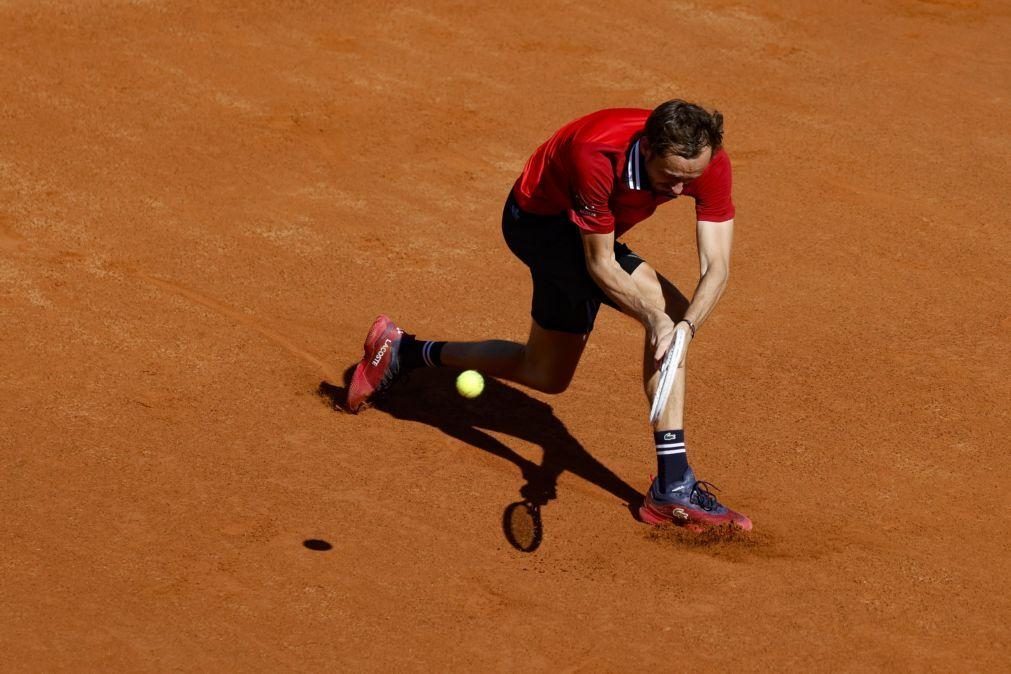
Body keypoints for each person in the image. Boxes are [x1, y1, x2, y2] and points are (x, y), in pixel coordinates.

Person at [346, 100, 751, 531]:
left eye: (689, 180)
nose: (678, 190)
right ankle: (672, 486)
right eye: (670, 178)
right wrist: (657, 320)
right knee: (662, 310)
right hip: (539, 225)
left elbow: (717, 267)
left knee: (546, 374)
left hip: (595, 229)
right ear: (647, 149)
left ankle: (405, 351)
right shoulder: (594, 153)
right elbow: (600, 265)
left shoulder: (705, 160)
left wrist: (685, 328)